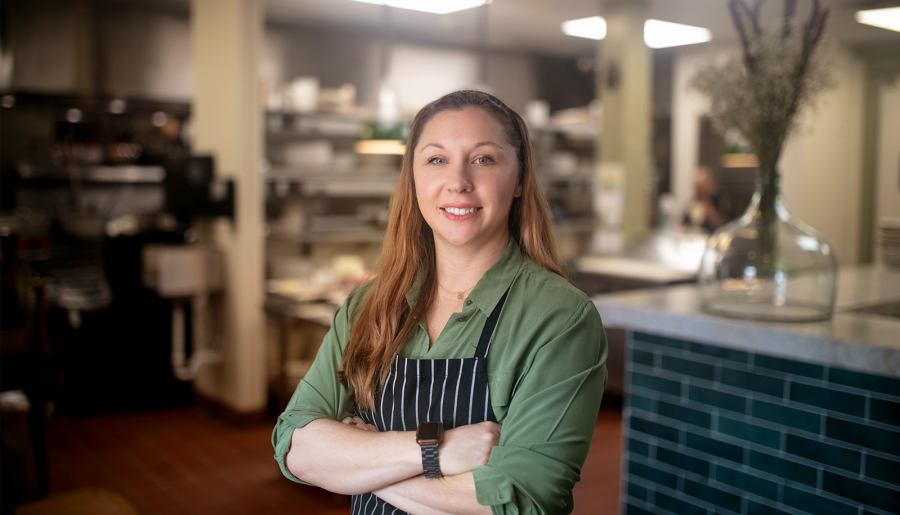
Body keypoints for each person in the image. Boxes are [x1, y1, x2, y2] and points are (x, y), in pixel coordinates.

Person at [272, 90, 608, 515]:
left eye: (483, 159)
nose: (458, 182)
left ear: (520, 178)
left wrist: (358, 460)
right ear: (412, 180)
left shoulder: (560, 318)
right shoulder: (367, 305)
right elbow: (295, 446)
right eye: (436, 159)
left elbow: (522, 499)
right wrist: (436, 452)